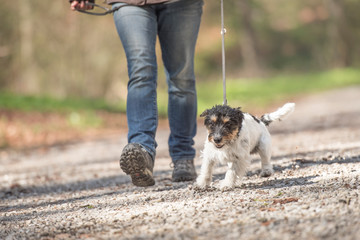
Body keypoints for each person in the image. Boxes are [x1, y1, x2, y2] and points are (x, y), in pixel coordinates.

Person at [70, 0, 203, 186]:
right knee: (141, 70)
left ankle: (183, 156)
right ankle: (142, 152)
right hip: (129, 2)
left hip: (181, 3)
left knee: (181, 76)